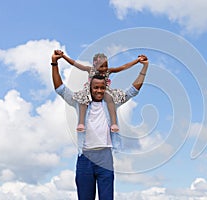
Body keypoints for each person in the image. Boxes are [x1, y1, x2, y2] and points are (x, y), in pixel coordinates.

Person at [51, 50, 148, 200]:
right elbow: (60, 89)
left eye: (102, 88)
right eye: (96, 88)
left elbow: (132, 91)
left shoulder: (112, 102)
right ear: (90, 87)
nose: (99, 91)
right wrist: (55, 63)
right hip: (85, 158)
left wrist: (144, 68)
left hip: (105, 158)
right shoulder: (80, 101)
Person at [56, 50, 146, 133]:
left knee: (109, 98)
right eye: (101, 66)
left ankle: (114, 122)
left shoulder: (108, 71)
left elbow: (123, 67)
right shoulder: (89, 69)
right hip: (89, 90)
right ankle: (81, 122)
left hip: (104, 90)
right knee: (82, 100)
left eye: (105, 66)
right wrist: (63, 56)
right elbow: (75, 64)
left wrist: (137, 60)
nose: (103, 69)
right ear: (94, 65)